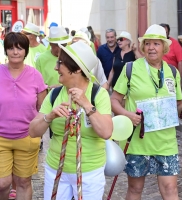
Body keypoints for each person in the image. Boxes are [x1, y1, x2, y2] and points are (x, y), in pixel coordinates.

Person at [111, 24, 182, 200]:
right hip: (137, 141)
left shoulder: (172, 72)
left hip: (165, 142)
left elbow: (178, 108)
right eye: (148, 43)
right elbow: (114, 100)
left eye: (156, 44)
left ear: (164, 47)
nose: (151, 47)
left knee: (170, 190)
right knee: (135, 189)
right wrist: (128, 115)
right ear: (143, 47)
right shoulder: (130, 69)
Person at [29, 41, 113, 200]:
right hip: (56, 169)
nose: (55, 67)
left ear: (77, 69)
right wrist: (50, 116)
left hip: (89, 173)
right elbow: (33, 131)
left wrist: (87, 105)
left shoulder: (98, 95)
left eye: (60, 63)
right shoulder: (54, 95)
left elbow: (106, 132)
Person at [0, 32, 47, 200]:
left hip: (27, 137)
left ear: (26, 51)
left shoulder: (35, 75)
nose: (15, 52)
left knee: (23, 181)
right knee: (2, 183)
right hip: (1, 137)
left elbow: (42, 107)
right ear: (5, 50)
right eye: (11, 48)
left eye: (19, 48)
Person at [36, 26, 72, 90]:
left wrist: (60, 87)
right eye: (56, 45)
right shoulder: (41, 59)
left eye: (63, 45)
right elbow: (37, 84)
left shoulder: (73, 57)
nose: (60, 48)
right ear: (50, 44)